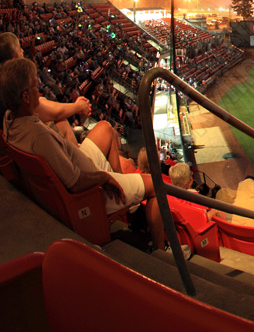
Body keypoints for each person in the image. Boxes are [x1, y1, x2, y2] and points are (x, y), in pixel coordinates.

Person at [1, 58, 165, 249]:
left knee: (105, 127)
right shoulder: (38, 138)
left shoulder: (9, 119)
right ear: (26, 97)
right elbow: (75, 182)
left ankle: (124, 189)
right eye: (35, 86)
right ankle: (161, 248)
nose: (40, 91)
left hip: (81, 165)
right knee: (156, 184)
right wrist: (103, 177)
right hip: (92, 189)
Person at [0, 32, 132, 174]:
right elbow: (48, 110)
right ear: (13, 60)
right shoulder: (20, 97)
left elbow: (42, 103)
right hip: (78, 175)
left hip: (32, 164)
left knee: (61, 122)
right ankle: (108, 178)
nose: (22, 51)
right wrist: (77, 107)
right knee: (104, 128)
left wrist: (75, 107)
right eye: (19, 48)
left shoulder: (8, 91)